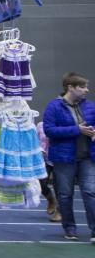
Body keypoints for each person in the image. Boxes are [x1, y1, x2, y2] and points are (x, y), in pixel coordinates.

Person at [42, 72, 95, 242]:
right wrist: (77, 130)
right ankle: (70, 228)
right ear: (70, 87)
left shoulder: (90, 106)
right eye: (82, 87)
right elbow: (49, 131)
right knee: (65, 194)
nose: (86, 90)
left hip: (88, 157)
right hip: (64, 158)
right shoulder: (54, 107)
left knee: (90, 192)